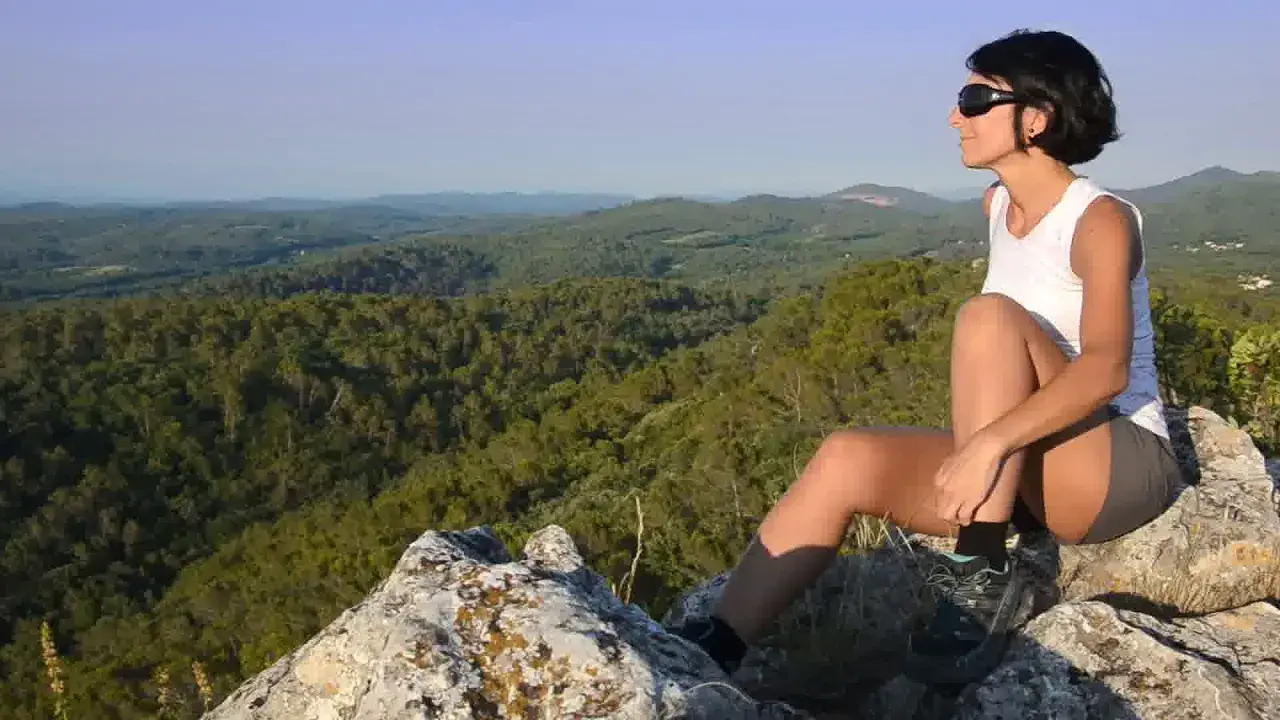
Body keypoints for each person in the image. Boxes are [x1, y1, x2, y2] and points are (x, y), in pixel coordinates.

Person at [671, 28, 1184, 686]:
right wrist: (988, 449)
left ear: (1037, 117)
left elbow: (1107, 368)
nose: (954, 116)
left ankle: (980, 573)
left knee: (987, 317)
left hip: (1117, 465)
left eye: (975, 100)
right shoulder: (998, 205)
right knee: (845, 456)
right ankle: (715, 643)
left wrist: (987, 445)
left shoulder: (1098, 218)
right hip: (1033, 465)